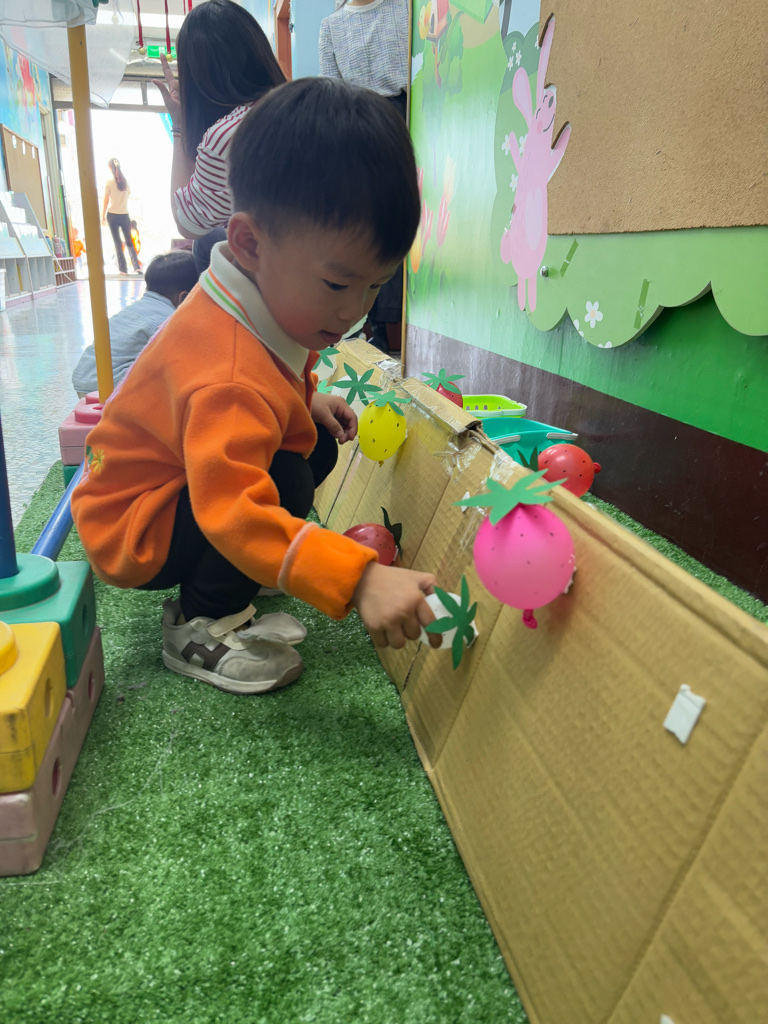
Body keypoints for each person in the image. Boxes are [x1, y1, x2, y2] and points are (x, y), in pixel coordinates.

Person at [71, 78, 439, 697]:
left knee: (310, 445)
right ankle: (199, 622)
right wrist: (358, 579)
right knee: (286, 478)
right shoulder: (230, 375)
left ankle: (248, 568)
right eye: (337, 284)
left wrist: (306, 399)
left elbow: (266, 374)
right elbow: (232, 507)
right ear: (248, 243)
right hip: (133, 526)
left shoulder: (252, 295)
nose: (354, 310)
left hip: (171, 480)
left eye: (376, 286)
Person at [153, 0, 286, 276]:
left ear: (197, 78)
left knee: (206, 244)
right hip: (342, 274)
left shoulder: (228, 136)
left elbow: (188, 223)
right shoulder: (299, 102)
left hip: (287, 284)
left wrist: (179, 125)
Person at [319, 0, 410, 353]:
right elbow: (331, 93)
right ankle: (377, 325)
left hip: (408, 116)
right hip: (356, 129)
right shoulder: (331, 26)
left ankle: (394, 325)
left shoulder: (404, 8)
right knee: (370, 226)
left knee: (401, 220)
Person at [71, 251, 197, 396]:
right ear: (184, 297)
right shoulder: (167, 321)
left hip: (84, 381)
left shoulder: (133, 310)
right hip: (113, 388)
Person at [101, 157, 142, 275]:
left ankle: (123, 269)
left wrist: (102, 216)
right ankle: (136, 267)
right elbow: (127, 196)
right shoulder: (126, 183)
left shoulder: (109, 182)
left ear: (110, 167)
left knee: (117, 242)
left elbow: (105, 201)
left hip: (112, 215)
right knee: (129, 241)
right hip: (124, 215)